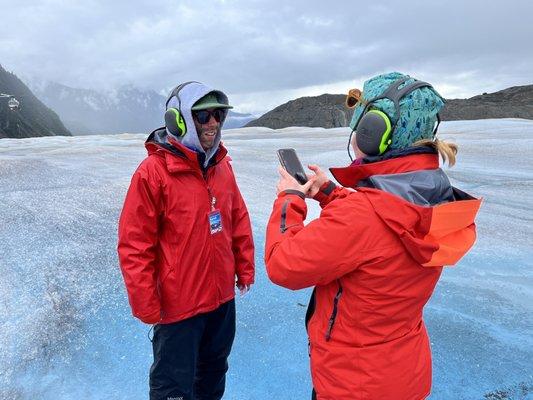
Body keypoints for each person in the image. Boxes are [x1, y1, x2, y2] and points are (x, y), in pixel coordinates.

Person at [264, 72, 481, 400]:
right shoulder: (431, 195)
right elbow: (382, 221)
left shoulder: (363, 217)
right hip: (403, 375)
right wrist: (330, 194)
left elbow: (283, 264)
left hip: (354, 384)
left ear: (374, 133)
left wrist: (289, 199)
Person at [117, 81, 255, 400]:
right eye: (203, 116)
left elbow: (238, 218)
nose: (213, 123)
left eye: (218, 115)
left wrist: (244, 267)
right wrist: (146, 303)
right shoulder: (152, 173)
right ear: (178, 120)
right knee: (173, 387)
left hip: (221, 300)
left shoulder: (222, 167)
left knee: (212, 375)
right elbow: (134, 244)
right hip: (179, 307)